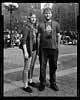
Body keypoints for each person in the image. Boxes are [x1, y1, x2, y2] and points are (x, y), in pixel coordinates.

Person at [38, 8, 60, 91]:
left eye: (49, 13)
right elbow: (38, 37)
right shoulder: (40, 25)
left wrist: (58, 46)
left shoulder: (56, 24)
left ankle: (53, 83)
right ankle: (42, 83)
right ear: (44, 14)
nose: (47, 15)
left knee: (53, 66)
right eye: (46, 13)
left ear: (51, 14)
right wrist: (38, 48)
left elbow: (58, 35)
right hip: (43, 49)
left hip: (53, 48)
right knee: (42, 67)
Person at [21, 13, 39, 93]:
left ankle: (30, 80)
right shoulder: (26, 27)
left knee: (32, 66)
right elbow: (23, 40)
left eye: (35, 17)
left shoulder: (35, 27)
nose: (33, 19)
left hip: (35, 49)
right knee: (26, 68)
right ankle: (25, 85)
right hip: (28, 49)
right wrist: (25, 52)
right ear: (29, 18)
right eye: (32, 17)